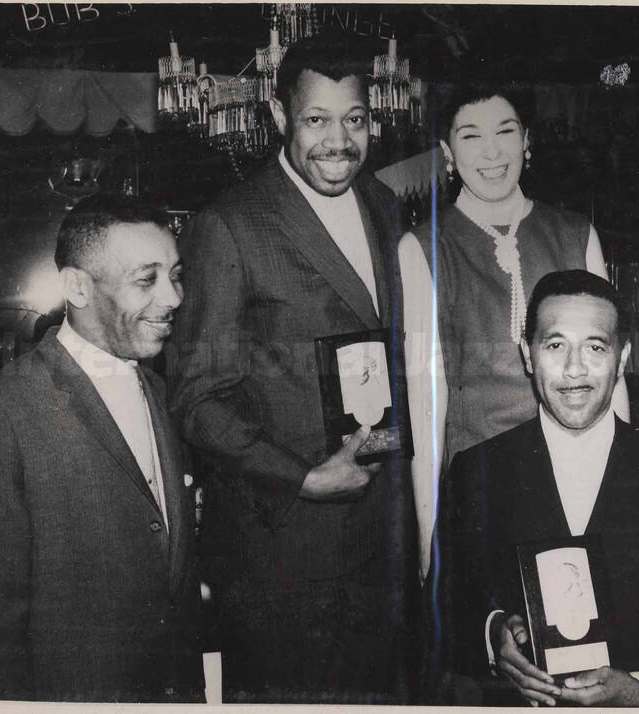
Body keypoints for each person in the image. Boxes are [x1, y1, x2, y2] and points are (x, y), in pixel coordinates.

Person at [168, 35, 416, 704]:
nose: (338, 141)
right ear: (279, 119)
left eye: (355, 119)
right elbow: (197, 399)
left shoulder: (388, 209)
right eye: (316, 120)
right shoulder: (231, 225)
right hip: (285, 558)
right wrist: (303, 477)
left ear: (374, 120)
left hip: (385, 541)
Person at [432, 270, 639, 707]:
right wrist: (492, 636)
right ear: (528, 355)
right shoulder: (475, 471)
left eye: (595, 347)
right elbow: (439, 605)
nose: (574, 369)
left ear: (622, 359)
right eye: (555, 345)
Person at [399, 81, 630, 577]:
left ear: (527, 140)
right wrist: (429, 542)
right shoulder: (422, 248)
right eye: (470, 136)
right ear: (447, 153)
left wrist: (625, 488)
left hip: (579, 471)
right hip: (482, 486)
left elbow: (613, 374)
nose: (492, 152)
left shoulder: (574, 233)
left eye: (506, 131)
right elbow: (425, 401)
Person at [0, 194, 203, 702]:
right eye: (146, 279)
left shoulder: (156, 388)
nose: (173, 298)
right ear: (77, 287)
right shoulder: (5, 409)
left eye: (175, 275)